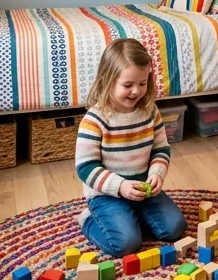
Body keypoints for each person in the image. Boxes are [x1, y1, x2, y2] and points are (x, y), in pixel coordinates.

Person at [75, 38, 187, 256]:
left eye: (142, 83)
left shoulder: (150, 111)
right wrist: (120, 186)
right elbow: (86, 167)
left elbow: (161, 149)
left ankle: (132, 219)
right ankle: (88, 220)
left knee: (175, 228)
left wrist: (157, 174)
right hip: (108, 195)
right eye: (128, 85)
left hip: (143, 191)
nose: (136, 91)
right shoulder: (95, 119)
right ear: (108, 81)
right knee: (126, 245)